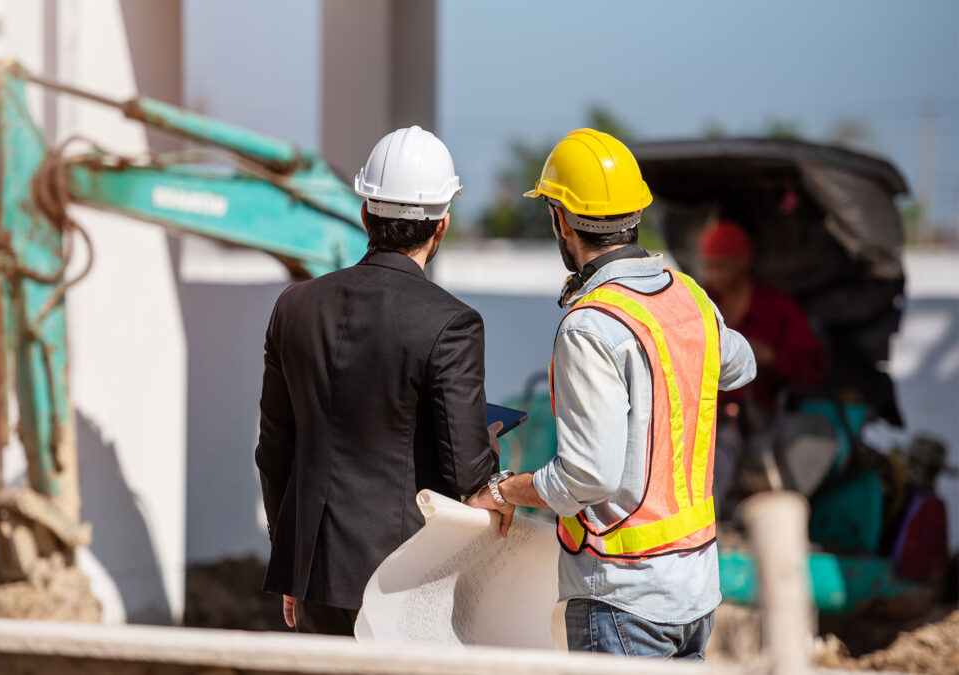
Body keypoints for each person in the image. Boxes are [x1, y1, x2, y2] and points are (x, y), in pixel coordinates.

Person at [468, 129, 756, 659]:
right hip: (695, 593)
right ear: (636, 213)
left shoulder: (591, 325)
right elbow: (742, 364)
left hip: (625, 600)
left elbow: (588, 477)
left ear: (561, 220)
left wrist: (505, 490)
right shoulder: (689, 296)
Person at [255, 126, 502, 636]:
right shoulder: (452, 323)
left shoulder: (294, 308)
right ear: (442, 225)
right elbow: (467, 474)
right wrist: (489, 445)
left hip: (315, 574)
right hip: (404, 579)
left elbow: (274, 449)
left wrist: (292, 561)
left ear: (365, 213)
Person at [699, 220, 826, 414]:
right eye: (710, 266)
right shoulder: (699, 302)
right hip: (709, 415)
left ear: (744, 260)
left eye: (723, 266)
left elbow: (811, 367)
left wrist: (770, 357)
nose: (715, 275)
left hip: (768, 415)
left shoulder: (776, 306)